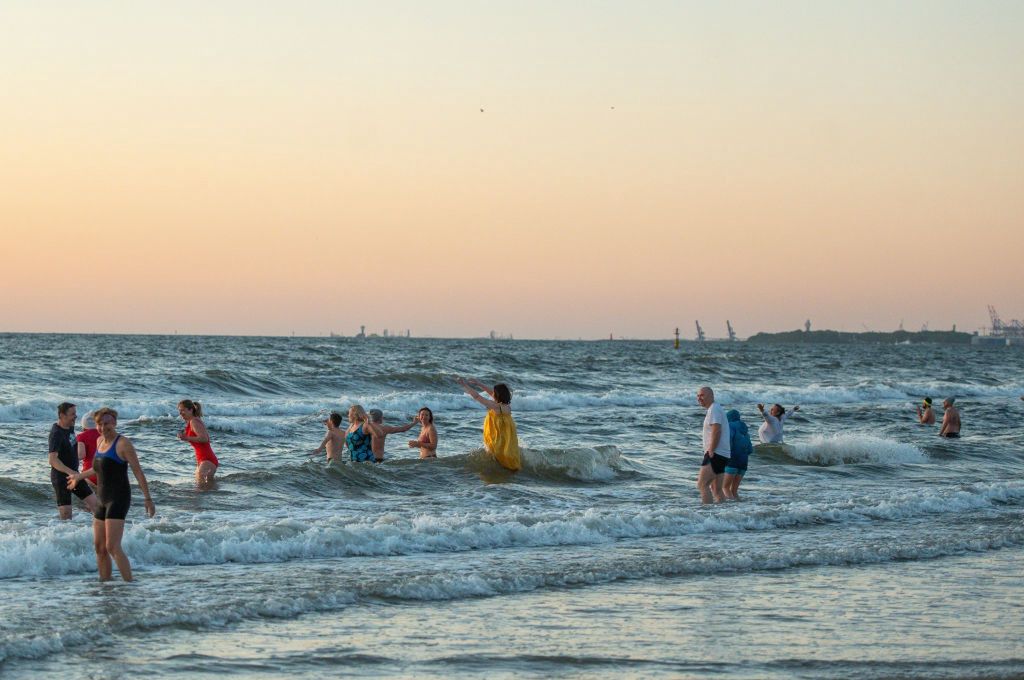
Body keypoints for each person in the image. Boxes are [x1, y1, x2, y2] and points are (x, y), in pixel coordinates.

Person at [66, 407, 154, 581]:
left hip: (118, 498)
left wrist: (148, 499)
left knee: (112, 546)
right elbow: (97, 467)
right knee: (99, 547)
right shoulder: (99, 441)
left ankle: (130, 584)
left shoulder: (123, 444)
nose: (103, 427)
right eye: (99, 424)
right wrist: (79, 477)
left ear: (114, 423)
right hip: (102, 499)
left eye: (106, 423)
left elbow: (138, 472)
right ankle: (105, 586)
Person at [456, 377, 521, 471]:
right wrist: (479, 384)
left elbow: (477, 397)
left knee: (498, 451)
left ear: (497, 395)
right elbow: (491, 393)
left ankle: (504, 469)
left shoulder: (495, 406)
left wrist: (465, 385)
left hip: (499, 434)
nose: (492, 394)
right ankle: (509, 468)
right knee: (506, 449)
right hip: (506, 433)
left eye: (494, 393)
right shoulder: (506, 406)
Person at [48, 402, 97, 520]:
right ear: (62, 415)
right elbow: (52, 460)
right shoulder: (56, 434)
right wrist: (72, 472)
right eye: (72, 414)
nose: (76, 416)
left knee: (97, 506)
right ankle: (67, 537)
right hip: (61, 478)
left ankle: (97, 532)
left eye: (75, 413)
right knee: (66, 517)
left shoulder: (70, 427)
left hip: (75, 475)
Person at [696, 386, 731, 504]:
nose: (699, 398)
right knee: (716, 489)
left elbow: (717, 430)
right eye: (698, 395)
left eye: (702, 395)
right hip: (723, 454)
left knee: (702, 484)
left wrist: (711, 450)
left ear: (711, 396)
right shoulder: (715, 408)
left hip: (716, 453)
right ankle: (721, 516)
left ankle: (706, 515)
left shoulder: (714, 409)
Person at [177, 399, 219, 487]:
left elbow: (204, 439)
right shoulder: (191, 422)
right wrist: (183, 436)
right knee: (203, 488)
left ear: (190, 410)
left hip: (208, 459)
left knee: (201, 489)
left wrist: (187, 437)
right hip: (201, 459)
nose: (181, 413)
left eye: (183, 410)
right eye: (179, 411)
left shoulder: (194, 421)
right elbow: (196, 437)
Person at [722, 409, 753, 500]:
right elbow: (750, 450)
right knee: (734, 491)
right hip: (743, 463)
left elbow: (728, 442)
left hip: (732, 460)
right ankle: (738, 508)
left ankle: (731, 510)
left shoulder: (730, 426)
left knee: (725, 488)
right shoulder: (745, 431)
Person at [76, 410, 101, 486]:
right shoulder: (104, 435)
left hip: (88, 474)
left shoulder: (81, 436)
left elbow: (81, 455)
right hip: (105, 473)